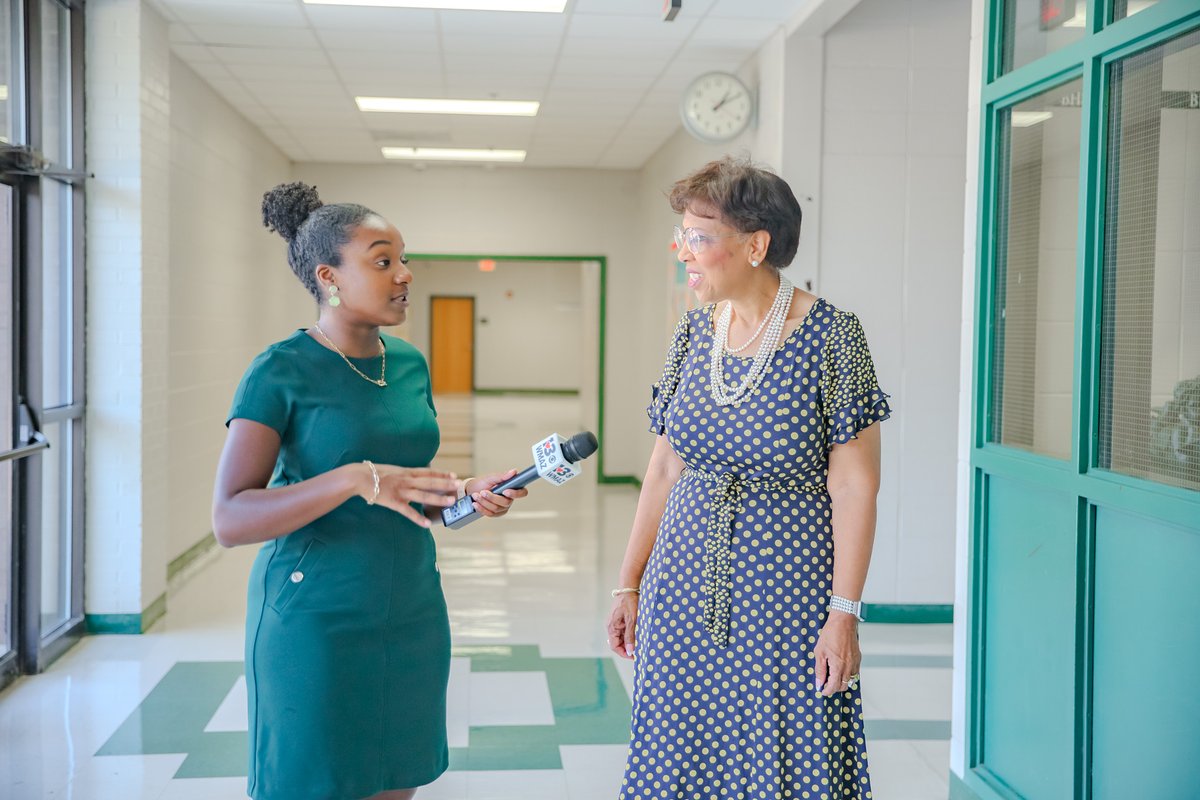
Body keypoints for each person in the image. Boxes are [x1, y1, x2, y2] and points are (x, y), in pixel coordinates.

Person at [212, 182, 527, 800]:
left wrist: (464, 489)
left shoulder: (407, 362)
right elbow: (230, 518)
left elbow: (406, 487)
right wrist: (356, 477)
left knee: (395, 781)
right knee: (315, 782)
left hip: (410, 608)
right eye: (383, 261)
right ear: (329, 277)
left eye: (403, 258)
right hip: (315, 618)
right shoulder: (280, 370)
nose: (405, 274)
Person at [607, 157, 891, 799]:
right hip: (682, 587)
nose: (681, 249)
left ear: (756, 245)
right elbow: (664, 466)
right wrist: (628, 583)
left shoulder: (832, 338)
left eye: (698, 236)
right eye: (681, 233)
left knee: (788, 751)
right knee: (680, 747)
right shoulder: (692, 332)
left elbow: (855, 487)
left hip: (787, 591)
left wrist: (843, 614)